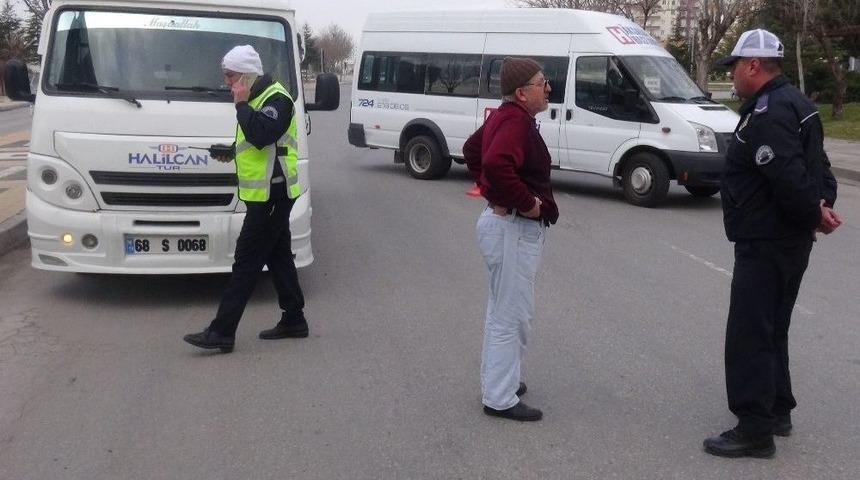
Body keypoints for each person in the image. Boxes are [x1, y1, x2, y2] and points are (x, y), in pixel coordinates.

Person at [704, 29, 842, 458]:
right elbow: (819, 169)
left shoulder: (768, 112)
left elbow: (786, 175)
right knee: (773, 327)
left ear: (753, 66)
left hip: (767, 240)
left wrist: (813, 211)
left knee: (750, 332)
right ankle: (777, 408)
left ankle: (754, 428)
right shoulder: (798, 104)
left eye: (734, 68)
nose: (733, 77)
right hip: (787, 239)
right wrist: (821, 206)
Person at [184, 45, 309, 353]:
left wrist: (240, 106)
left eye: (231, 76)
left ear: (247, 75)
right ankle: (294, 319)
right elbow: (258, 142)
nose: (227, 82)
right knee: (278, 256)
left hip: (273, 194)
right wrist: (231, 151)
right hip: (266, 194)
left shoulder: (277, 99)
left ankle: (222, 331)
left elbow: (262, 133)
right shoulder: (257, 97)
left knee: (246, 262)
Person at [463, 57, 559, 421]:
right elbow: (495, 164)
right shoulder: (515, 122)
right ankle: (499, 398)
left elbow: (475, 152)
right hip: (513, 229)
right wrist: (528, 204)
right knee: (511, 316)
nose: (547, 87)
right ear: (521, 92)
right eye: (541, 82)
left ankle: (499, 381)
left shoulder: (509, 118)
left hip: (506, 226)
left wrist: (492, 190)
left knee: (502, 311)